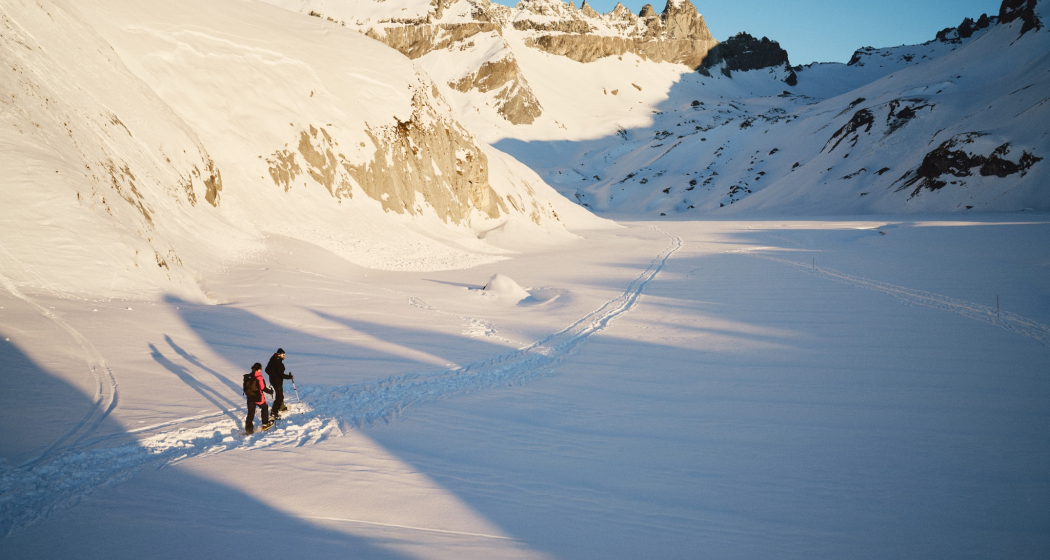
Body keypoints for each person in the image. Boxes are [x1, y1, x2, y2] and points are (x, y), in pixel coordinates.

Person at [265, 348, 294, 419]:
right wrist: (289, 377)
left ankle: (281, 407)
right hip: (277, 381)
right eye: (283, 355)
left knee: (280, 395)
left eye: (284, 355)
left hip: (274, 380)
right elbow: (280, 374)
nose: (284, 356)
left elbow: (267, 370)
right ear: (279, 354)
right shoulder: (278, 362)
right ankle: (274, 412)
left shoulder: (272, 359)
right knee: (279, 397)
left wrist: (272, 375)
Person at [245, 362, 273, 434]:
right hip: (258, 397)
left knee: (250, 413)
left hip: (250, 397)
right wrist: (271, 392)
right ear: (259, 369)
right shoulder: (259, 377)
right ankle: (265, 424)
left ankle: (248, 430)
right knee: (264, 407)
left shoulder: (249, 376)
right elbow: (263, 388)